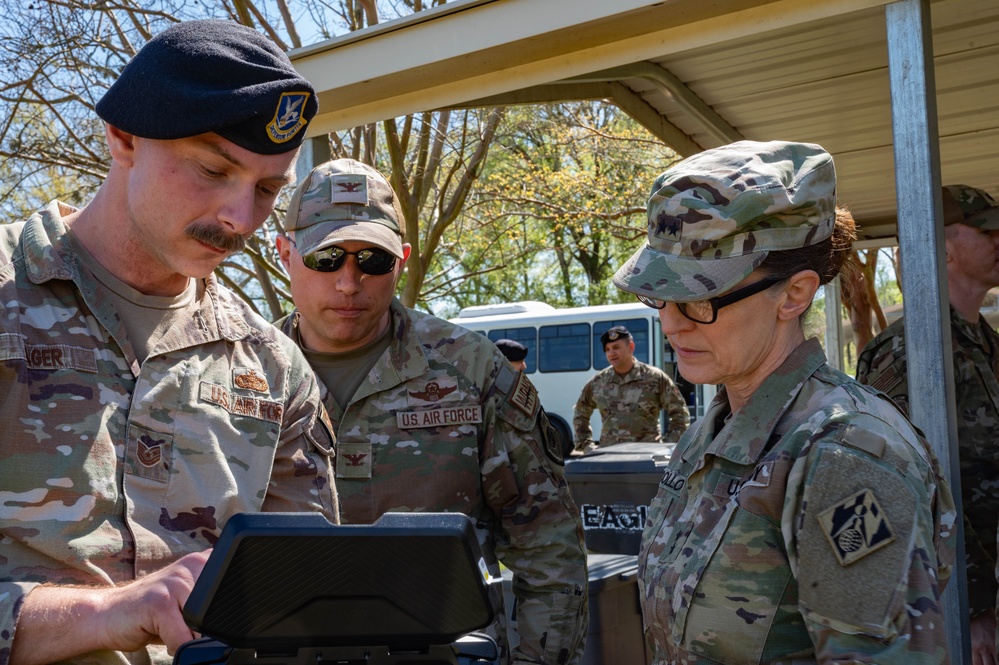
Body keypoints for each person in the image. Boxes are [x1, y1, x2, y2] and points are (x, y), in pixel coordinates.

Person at [0, 20, 338, 664]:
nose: (240, 218)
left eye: (268, 189)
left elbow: (304, 603)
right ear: (124, 136)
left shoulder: (272, 366)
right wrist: (102, 615)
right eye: (214, 169)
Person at [613, 139, 956, 663]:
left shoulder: (847, 457)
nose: (671, 321)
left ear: (794, 294)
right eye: (660, 295)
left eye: (700, 298)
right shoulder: (714, 432)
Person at [275, 158, 588, 665]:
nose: (349, 283)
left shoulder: (471, 370)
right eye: (326, 258)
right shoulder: (242, 376)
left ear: (400, 259)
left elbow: (546, 540)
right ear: (285, 254)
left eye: (372, 261)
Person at [856, 183, 999, 665]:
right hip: (950, 605)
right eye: (986, 230)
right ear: (941, 245)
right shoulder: (907, 351)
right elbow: (898, 491)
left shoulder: (988, 343)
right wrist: (973, 605)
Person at [572, 325, 688, 450]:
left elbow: (680, 412)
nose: (611, 353)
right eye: (607, 349)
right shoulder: (598, 382)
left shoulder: (654, 378)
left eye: (616, 347)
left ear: (631, 347)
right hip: (610, 457)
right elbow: (580, 413)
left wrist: (668, 446)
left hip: (646, 457)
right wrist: (586, 446)